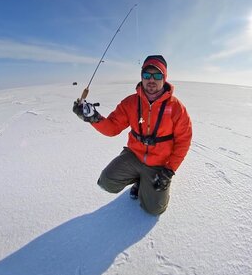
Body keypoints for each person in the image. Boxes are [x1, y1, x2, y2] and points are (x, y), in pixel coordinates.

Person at [73, 55, 192, 215]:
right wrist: (93, 118)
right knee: (106, 182)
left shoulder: (177, 108)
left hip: (159, 164)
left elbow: (183, 141)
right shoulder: (130, 103)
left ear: (164, 78)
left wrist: (169, 170)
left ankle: (147, 185)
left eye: (157, 75)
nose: (151, 80)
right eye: (146, 75)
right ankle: (139, 179)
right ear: (141, 77)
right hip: (134, 156)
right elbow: (112, 128)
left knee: (154, 209)